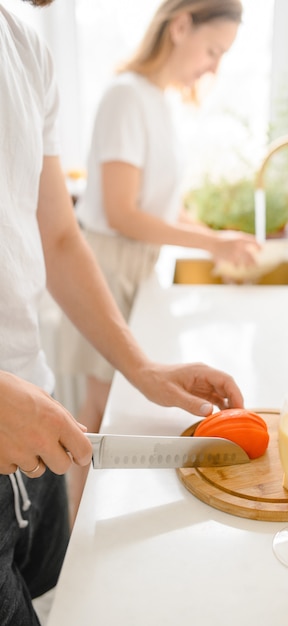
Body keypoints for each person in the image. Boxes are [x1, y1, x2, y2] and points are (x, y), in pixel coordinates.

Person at [0, 1, 247, 623]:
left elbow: (57, 235)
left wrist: (144, 368)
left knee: (64, 604)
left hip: (37, 419)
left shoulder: (26, 48)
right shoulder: (124, 94)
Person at [60, 0, 258, 520]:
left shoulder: (157, 101)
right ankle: (78, 545)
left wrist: (219, 236)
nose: (214, 66)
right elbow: (124, 213)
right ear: (180, 25)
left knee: (108, 409)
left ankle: (83, 536)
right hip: (106, 266)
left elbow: (161, 208)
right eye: (213, 50)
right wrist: (213, 246)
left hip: (134, 266)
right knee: (99, 412)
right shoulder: (127, 96)